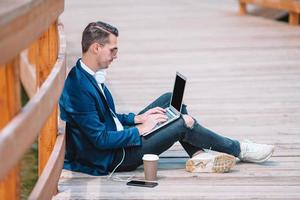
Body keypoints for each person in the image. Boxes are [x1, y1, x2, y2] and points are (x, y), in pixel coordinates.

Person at [59, 21, 275, 176]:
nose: (116, 56)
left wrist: (138, 118)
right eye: (113, 50)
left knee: (171, 100)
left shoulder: (87, 73)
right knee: (182, 123)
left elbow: (108, 116)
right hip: (116, 157)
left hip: (120, 138)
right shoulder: (80, 88)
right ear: (96, 47)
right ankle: (239, 149)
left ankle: (199, 155)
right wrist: (141, 131)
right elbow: (100, 140)